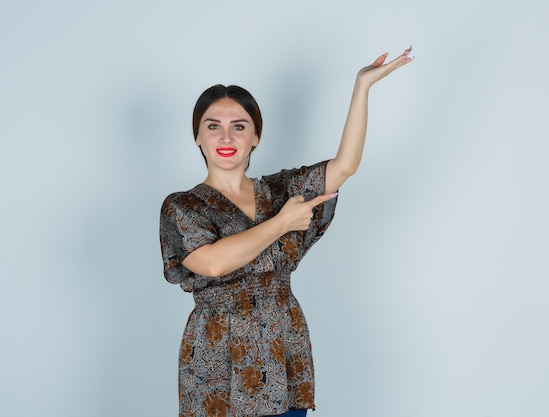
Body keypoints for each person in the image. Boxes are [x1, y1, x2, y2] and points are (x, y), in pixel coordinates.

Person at [159, 47, 413, 417]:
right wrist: (281, 223)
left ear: (256, 137)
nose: (226, 137)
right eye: (213, 126)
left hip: (282, 342)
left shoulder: (280, 191)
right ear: (198, 136)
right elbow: (212, 263)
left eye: (239, 126)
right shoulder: (183, 206)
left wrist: (362, 88)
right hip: (219, 357)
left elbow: (344, 167)